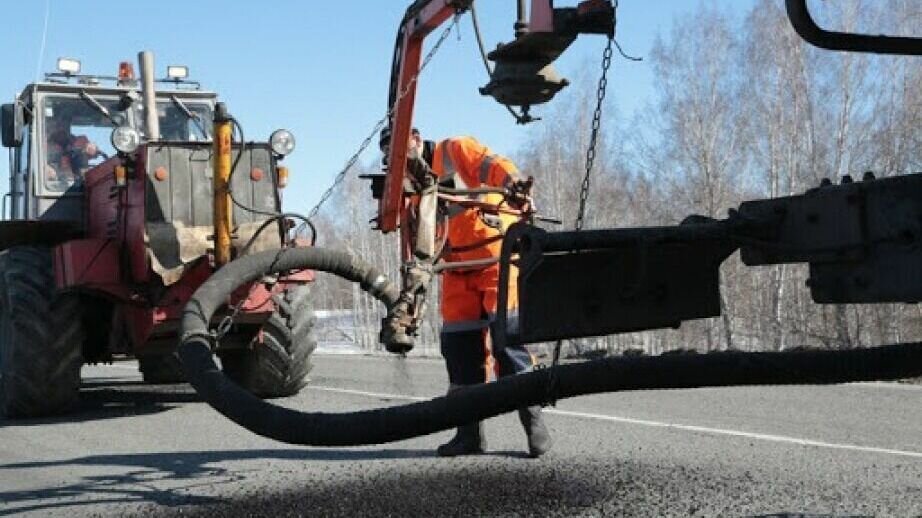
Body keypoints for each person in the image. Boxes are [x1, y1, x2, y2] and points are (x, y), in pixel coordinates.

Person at [386, 128, 553, 458]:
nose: (401, 164)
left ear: (416, 140)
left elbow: (493, 164)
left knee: (511, 346)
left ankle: (533, 424)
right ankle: (469, 434)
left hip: (496, 262)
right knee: (460, 353)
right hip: (456, 273)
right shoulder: (411, 186)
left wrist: (513, 181)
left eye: (403, 154)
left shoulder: (454, 150)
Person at [44, 116, 101, 184]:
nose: (60, 128)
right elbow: (40, 166)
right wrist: (47, 170)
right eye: (56, 126)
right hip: (57, 186)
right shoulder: (43, 147)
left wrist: (93, 149)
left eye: (63, 125)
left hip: (79, 185)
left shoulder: (82, 141)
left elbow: (94, 153)